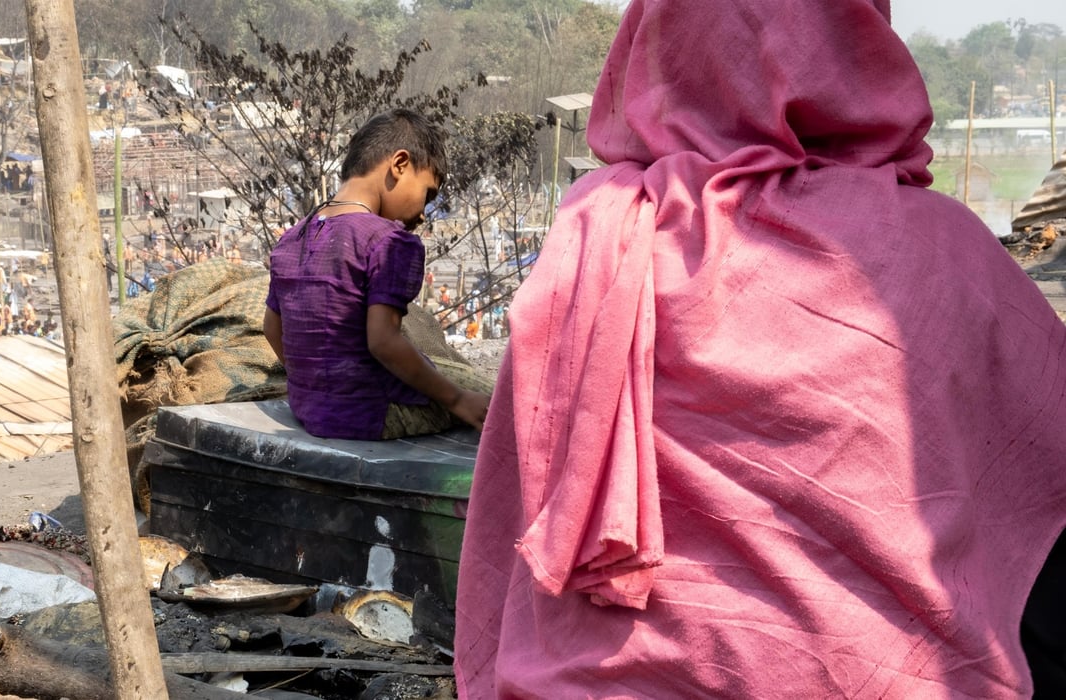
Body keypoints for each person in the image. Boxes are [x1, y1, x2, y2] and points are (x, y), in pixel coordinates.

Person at [453, 1, 1066, 698]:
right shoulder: (946, 254)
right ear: (857, 43)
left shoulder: (589, 244)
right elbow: (1043, 502)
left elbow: (510, 517)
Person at [262, 108, 490, 441]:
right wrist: (457, 400)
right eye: (427, 193)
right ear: (400, 164)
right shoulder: (389, 241)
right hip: (372, 413)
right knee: (496, 397)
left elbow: (272, 329)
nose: (423, 214)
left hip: (307, 407)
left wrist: (316, 387)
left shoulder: (292, 237)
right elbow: (383, 341)